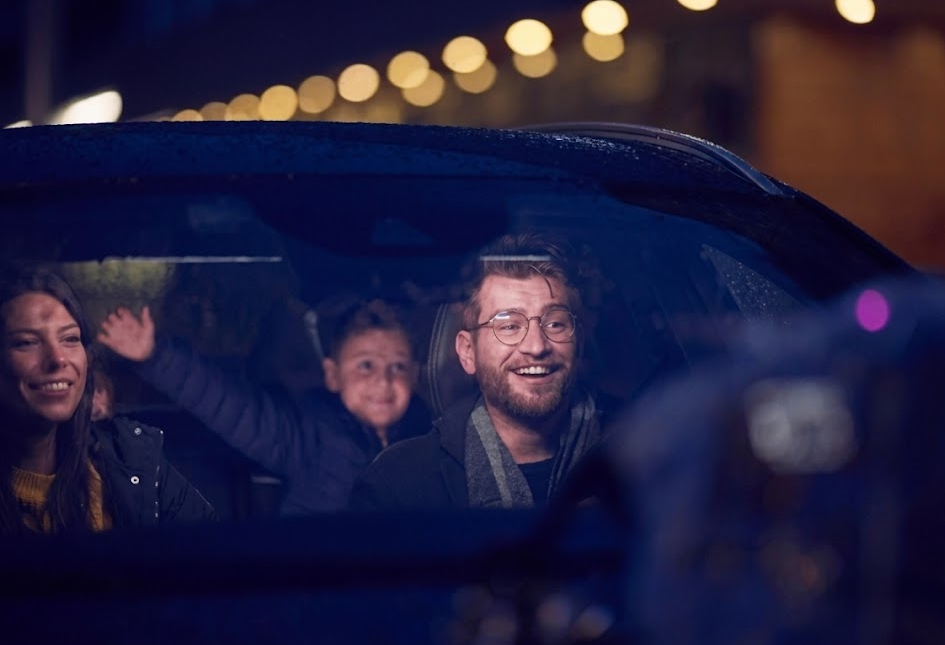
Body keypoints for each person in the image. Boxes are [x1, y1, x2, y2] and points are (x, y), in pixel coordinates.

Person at [97, 297, 429, 515]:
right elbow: (230, 406)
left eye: (398, 367)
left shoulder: (431, 441)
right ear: (332, 375)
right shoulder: (308, 435)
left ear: (415, 375)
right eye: (365, 366)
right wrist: (156, 357)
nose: (383, 381)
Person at [349, 232, 609, 509]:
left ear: (577, 341)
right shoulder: (396, 486)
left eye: (555, 323)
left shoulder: (644, 458)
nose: (536, 346)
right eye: (509, 326)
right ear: (467, 352)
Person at [0, 266, 214, 536]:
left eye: (70, 339)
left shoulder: (133, 458)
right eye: (27, 342)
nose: (58, 359)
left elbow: (215, 560)